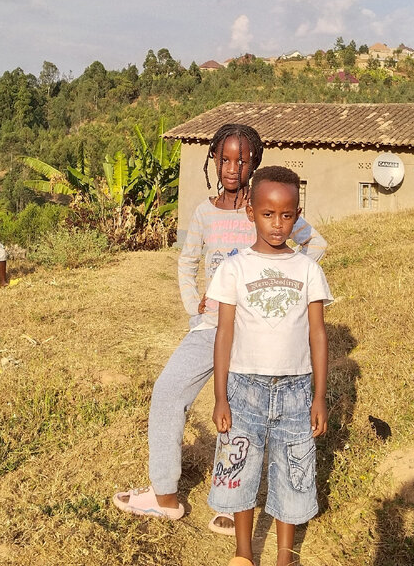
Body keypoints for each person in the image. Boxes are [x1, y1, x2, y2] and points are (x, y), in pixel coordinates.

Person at [113, 124, 327, 534]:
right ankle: (165, 496)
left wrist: (284, 295)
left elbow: (314, 246)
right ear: (213, 159)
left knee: (241, 415)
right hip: (210, 327)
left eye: (243, 160)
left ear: (255, 163)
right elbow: (186, 260)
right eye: (225, 159)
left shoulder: (264, 207)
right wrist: (194, 303)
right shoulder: (203, 212)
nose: (233, 168)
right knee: (167, 390)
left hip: (253, 334)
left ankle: (235, 503)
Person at [206, 165, 332, 566]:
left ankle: (284, 555)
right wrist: (220, 396)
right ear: (250, 212)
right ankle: (243, 553)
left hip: (297, 392)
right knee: (239, 467)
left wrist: (319, 398)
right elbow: (224, 334)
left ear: (297, 214)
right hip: (244, 389)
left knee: (292, 471)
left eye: (287, 215)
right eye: (268, 214)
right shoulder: (234, 268)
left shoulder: (309, 270)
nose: (278, 225)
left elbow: (317, 336)